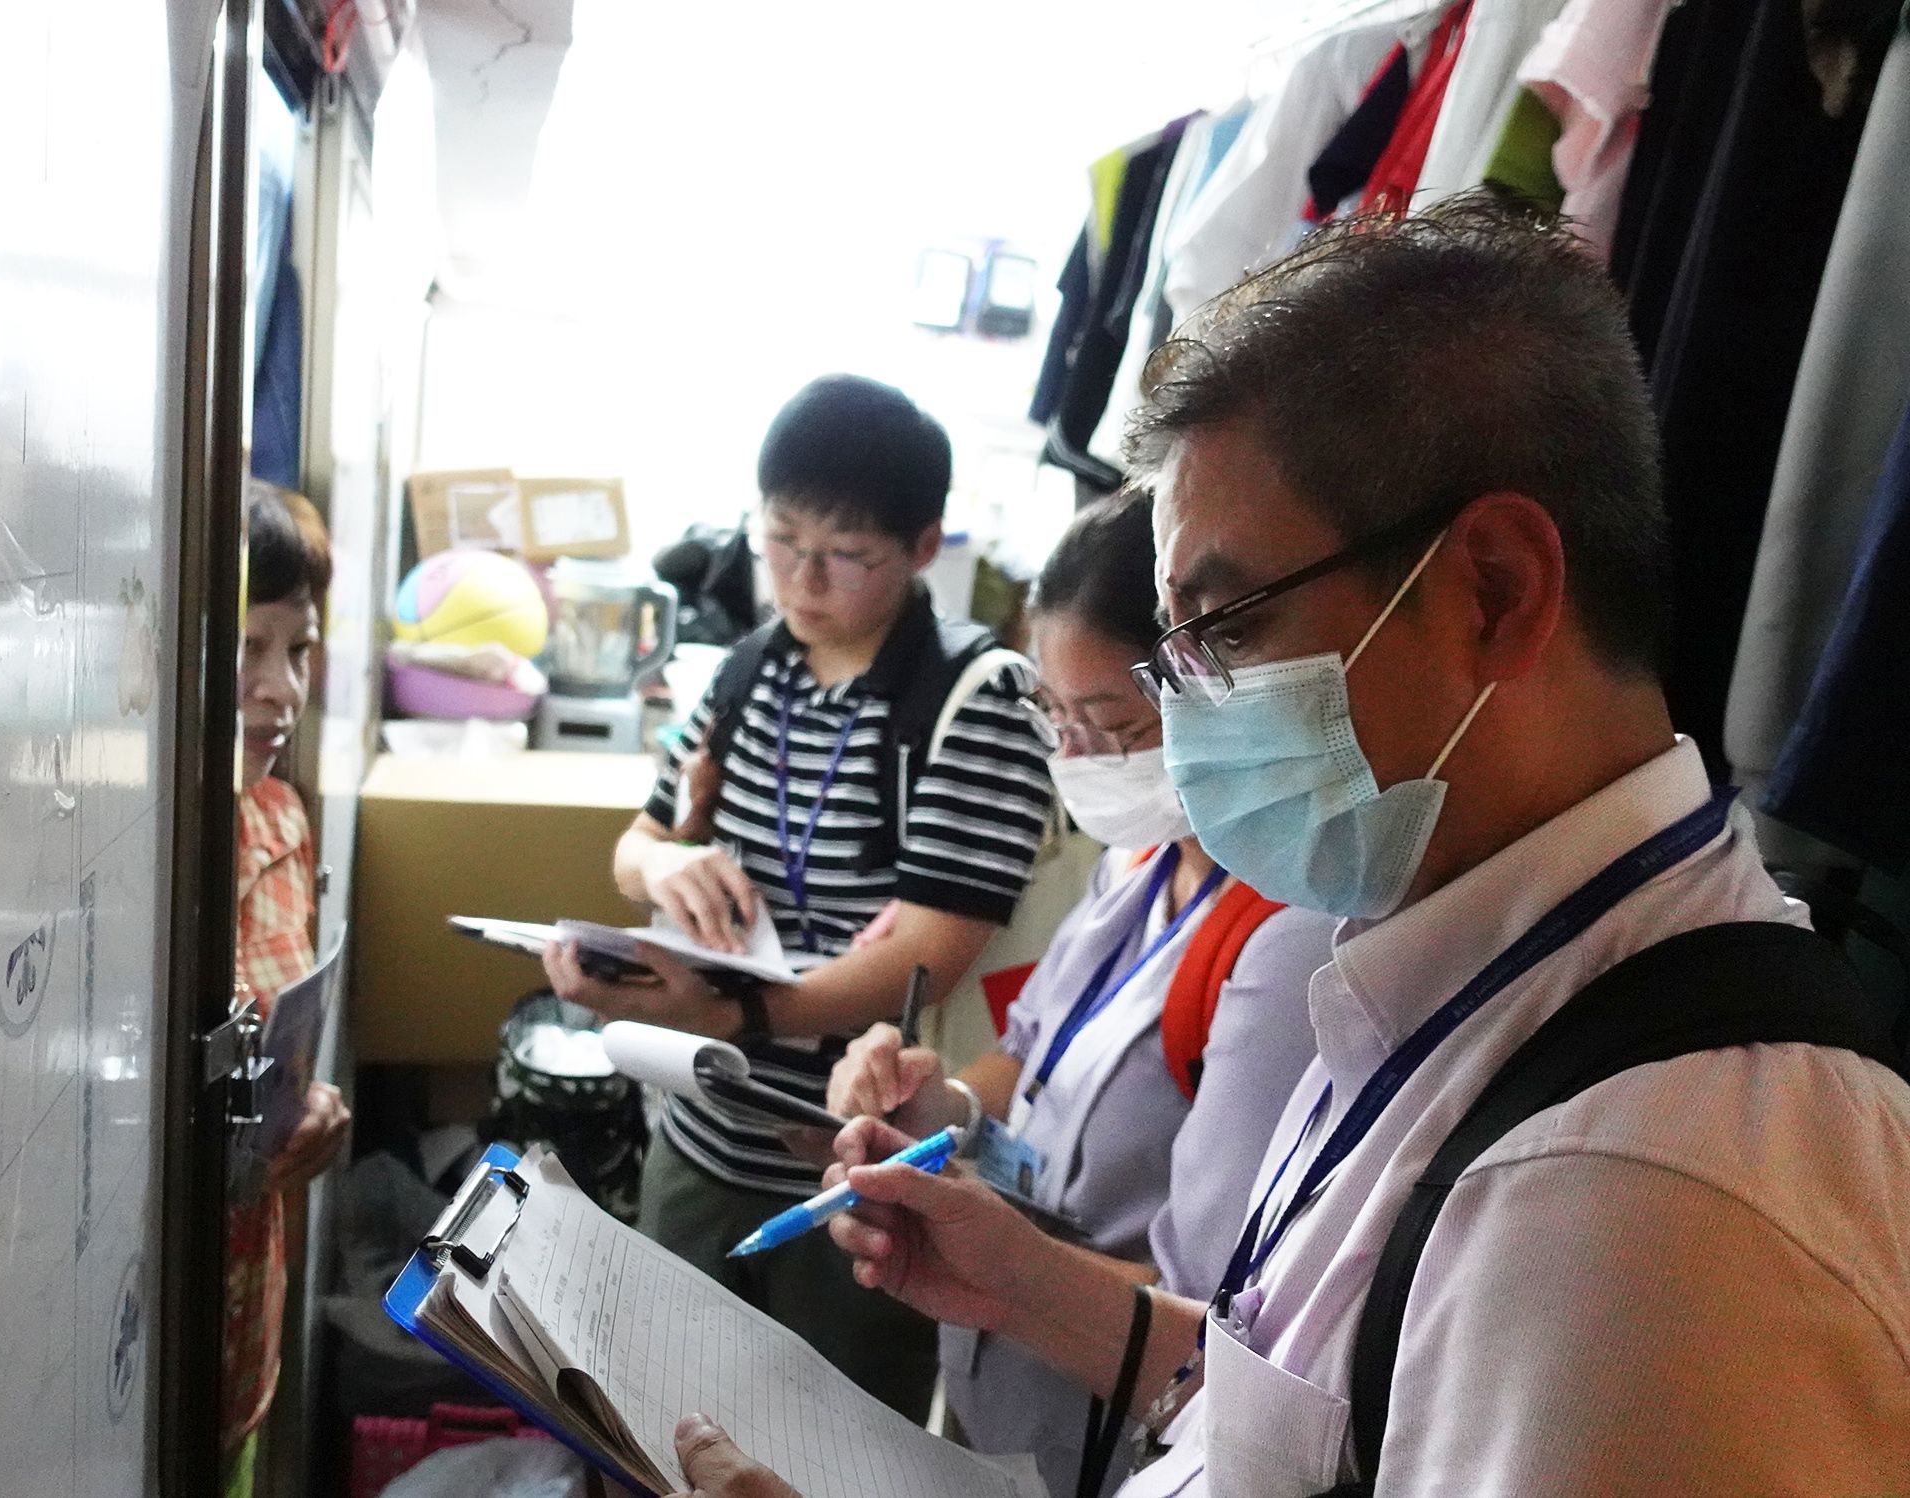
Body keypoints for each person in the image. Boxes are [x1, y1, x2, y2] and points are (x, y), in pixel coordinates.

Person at [659, 199, 1910, 1498]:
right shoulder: (1455, 968)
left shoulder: (1642, 1200)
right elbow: (1321, 1414)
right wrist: (1029, 1285)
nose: (1183, 718)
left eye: (1227, 631)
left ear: (1494, 589)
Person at [542, 374, 1057, 1420]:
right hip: (699, 1130)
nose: (801, 579)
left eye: (844, 555)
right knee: (659, 1424)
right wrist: (665, 870)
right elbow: (636, 845)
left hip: (853, 1164)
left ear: (922, 547)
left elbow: (929, 949)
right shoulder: (747, 670)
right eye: (779, 539)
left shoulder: (973, 696)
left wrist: (737, 1012)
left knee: (828, 1443)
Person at [826, 490, 1330, 1497]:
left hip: (1125, 1420)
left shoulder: (1285, 942)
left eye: (1109, 724)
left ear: (1205, 690)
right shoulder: (1138, 865)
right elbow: (1029, 1046)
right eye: (1054, 720)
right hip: (1007, 1384)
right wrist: (941, 1104)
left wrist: (1013, 1272)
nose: (1080, 761)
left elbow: (1226, 1313)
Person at [224, 481, 354, 1496]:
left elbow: (272, 1063)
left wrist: (310, 1117)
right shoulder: (119, 870)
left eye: (298, 650)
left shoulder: (280, 821)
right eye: (248, 647)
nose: (281, 688)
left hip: (242, 1326)